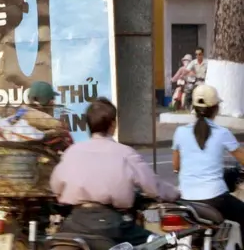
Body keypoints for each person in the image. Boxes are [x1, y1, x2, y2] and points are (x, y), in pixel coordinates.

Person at [51, 97, 179, 248]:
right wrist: (175, 194)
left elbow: (55, 186)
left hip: (74, 223)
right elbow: (152, 186)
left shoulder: (72, 152)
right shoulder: (125, 153)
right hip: (111, 226)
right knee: (160, 242)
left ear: (88, 126)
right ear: (113, 125)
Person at [172, 84, 244, 240]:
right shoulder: (222, 133)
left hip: (185, 200)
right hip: (215, 199)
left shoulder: (180, 132)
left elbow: (176, 166)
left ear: (193, 107)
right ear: (216, 108)